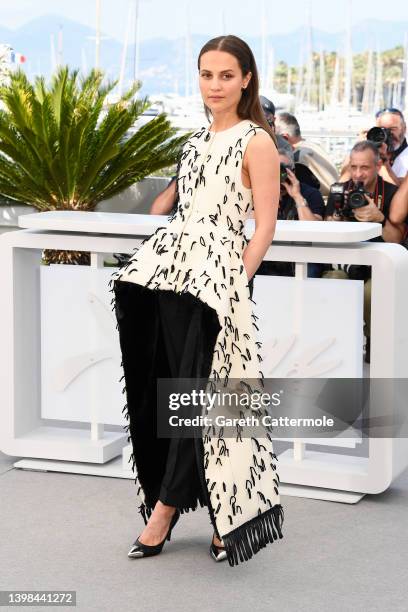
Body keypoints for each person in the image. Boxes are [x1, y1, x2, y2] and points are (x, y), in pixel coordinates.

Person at [108, 34, 284, 567]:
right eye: (207, 75)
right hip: (173, 275)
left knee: (209, 398)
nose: (215, 85)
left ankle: (166, 509)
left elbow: (265, 227)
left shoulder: (257, 141)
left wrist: (235, 284)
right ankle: (212, 509)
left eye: (226, 75)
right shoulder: (194, 142)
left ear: (246, 79)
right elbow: (183, 214)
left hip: (220, 284)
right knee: (172, 387)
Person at [324, 140, 401, 362]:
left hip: (378, 268)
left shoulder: (391, 193)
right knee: (333, 282)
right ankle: (337, 345)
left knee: (371, 292)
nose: (358, 174)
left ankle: (374, 347)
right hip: (344, 265)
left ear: (378, 166)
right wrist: (336, 219)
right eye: (354, 167)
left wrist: (380, 218)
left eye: (364, 168)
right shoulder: (339, 191)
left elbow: (397, 239)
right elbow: (327, 233)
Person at [275, 111, 339, 197]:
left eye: (276, 137)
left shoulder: (297, 158)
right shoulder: (314, 146)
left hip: (320, 202)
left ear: (285, 137)